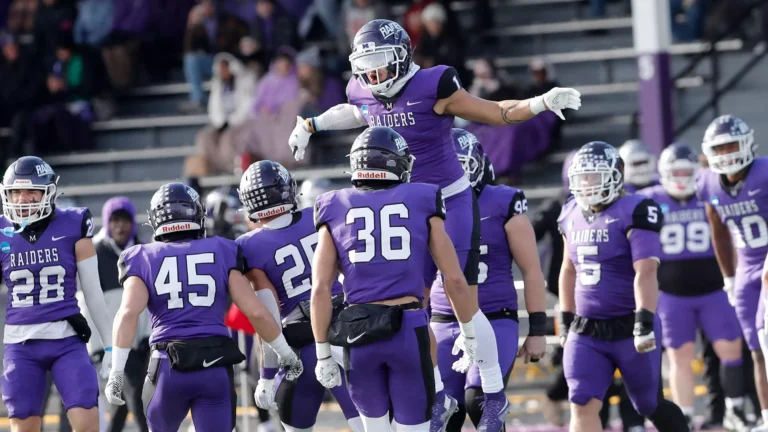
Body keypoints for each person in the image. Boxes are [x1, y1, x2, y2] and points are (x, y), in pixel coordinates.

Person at [288, 18, 580, 428]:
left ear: (403, 55)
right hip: (408, 207)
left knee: (459, 289)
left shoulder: (434, 85)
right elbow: (355, 110)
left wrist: (541, 102)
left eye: (380, 63)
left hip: (451, 199)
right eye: (365, 66)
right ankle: (439, 392)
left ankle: (493, 394)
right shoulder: (364, 88)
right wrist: (310, 124)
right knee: (413, 304)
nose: (373, 75)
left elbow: (494, 113)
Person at [310, 126, 499, 431]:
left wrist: (321, 353)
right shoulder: (422, 197)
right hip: (408, 329)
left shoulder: (333, 205)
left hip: (359, 332)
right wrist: (469, 331)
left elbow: (319, 288)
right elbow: (454, 278)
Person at [104, 182, 304, 432]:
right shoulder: (221, 249)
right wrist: (285, 353)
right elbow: (256, 312)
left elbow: (128, 313)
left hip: (167, 367)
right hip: (214, 365)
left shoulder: (142, 257)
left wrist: (117, 371)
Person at [557, 141, 689, 432]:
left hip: (629, 325)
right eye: (582, 177)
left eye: (594, 176)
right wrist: (565, 319)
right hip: (586, 330)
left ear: (616, 175)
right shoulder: (570, 213)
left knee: (648, 405)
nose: (587, 184)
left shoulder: (635, 209)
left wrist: (644, 321)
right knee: (581, 401)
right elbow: (568, 270)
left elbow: (645, 270)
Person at [430, 129, 547, 430]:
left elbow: (532, 269)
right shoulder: (426, 205)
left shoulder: (502, 202)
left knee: (479, 400)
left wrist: (536, 328)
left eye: (461, 165)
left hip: (493, 317)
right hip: (443, 320)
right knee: (441, 412)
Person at [236, 160, 363, 432]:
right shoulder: (319, 214)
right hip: (346, 334)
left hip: (300, 349)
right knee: (371, 425)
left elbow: (267, 317)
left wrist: (267, 376)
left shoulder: (250, 246)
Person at [639, 142, 749, 431]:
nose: (682, 176)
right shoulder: (649, 200)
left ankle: (734, 409)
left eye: (687, 170)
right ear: (663, 172)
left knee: (731, 351)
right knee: (679, 357)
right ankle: (684, 415)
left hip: (714, 289)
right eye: (676, 170)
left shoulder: (710, 193)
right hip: (672, 295)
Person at [0, 156, 113, 432]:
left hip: (66, 340)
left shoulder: (72, 224)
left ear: (48, 192)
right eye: (16, 192)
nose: (23, 199)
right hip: (21, 344)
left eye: (31, 192)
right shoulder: (2, 231)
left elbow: (93, 292)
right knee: (24, 427)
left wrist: (110, 345)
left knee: (87, 422)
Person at [696, 115, 768, 432]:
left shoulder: (765, 173)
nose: (726, 154)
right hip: (747, 270)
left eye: (731, 145)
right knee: (757, 349)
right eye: (719, 148)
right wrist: (729, 277)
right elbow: (720, 233)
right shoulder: (709, 183)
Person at [205, 186, 276, 432]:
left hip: (241, 310)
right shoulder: (205, 240)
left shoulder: (240, 237)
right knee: (222, 373)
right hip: (219, 314)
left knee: (254, 368)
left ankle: (264, 421)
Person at [87, 197, 150, 432]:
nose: (119, 226)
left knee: (121, 406)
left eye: (124, 220)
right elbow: (86, 303)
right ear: (106, 222)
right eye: (114, 221)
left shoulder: (143, 251)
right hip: (111, 345)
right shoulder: (94, 253)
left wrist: (148, 335)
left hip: (139, 343)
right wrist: (94, 346)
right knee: (140, 399)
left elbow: (151, 300)